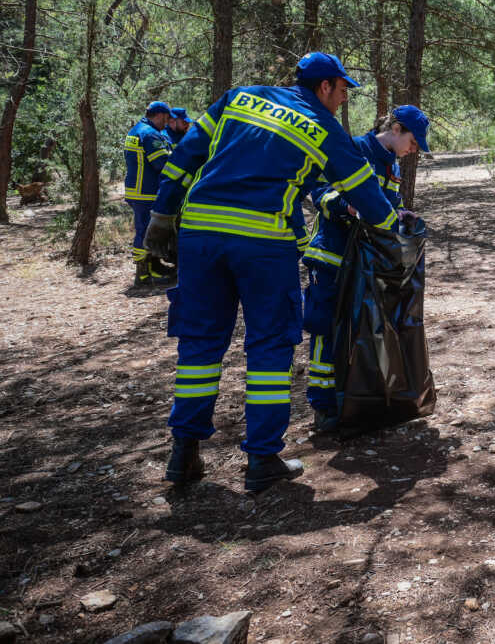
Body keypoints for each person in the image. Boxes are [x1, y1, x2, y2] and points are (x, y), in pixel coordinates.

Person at [144, 52, 402, 492]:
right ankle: (263, 458)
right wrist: (395, 231)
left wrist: (163, 213)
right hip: (263, 244)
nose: (342, 100)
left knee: (200, 345)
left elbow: (187, 153)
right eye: (342, 91)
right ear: (325, 86)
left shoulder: (239, 97)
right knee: (269, 347)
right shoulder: (324, 126)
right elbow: (367, 193)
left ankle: (183, 453)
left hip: (200, 237)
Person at [302, 105, 429, 432]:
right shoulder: (354, 149)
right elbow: (317, 191)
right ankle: (324, 406)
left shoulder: (392, 166)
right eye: (414, 142)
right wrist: (346, 206)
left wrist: (402, 215)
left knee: (360, 329)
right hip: (332, 258)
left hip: (365, 266)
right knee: (326, 327)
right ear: (397, 128)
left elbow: (389, 205)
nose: (413, 150)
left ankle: (353, 400)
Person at [123, 100, 174, 286]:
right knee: (144, 231)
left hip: (138, 190)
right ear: (159, 115)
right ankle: (143, 275)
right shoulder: (149, 134)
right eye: (166, 118)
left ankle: (153, 267)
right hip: (145, 192)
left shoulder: (138, 130)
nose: (167, 123)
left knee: (146, 230)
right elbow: (162, 164)